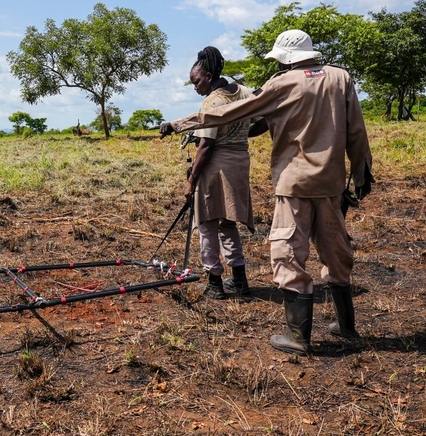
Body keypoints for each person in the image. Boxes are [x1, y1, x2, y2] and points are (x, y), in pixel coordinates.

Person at [160, 30, 374, 356]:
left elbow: (227, 114)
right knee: (335, 251)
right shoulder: (340, 78)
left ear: (284, 58)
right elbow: (356, 130)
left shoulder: (281, 83)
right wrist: (361, 174)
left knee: (288, 253)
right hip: (331, 185)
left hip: (294, 185)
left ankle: (299, 337)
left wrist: (179, 123)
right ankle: (347, 329)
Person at [183, 47, 256, 299]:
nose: (195, 87)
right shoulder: (244, 92)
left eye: (197, 81)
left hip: (216, 166)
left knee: (206, 223)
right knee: (229, 223)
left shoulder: (212, 101)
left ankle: (214, 283)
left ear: (210, 75)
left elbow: (205, 145)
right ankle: (239, 281)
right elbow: (265, 120)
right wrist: (241, 135)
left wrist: (191, 181)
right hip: (240, 163)